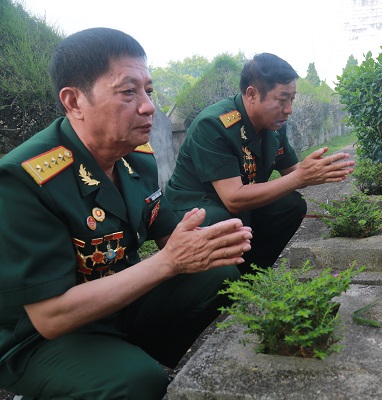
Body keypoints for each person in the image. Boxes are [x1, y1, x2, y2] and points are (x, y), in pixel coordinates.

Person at [0, 28, 252, 399]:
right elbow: (49, 316)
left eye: (148, 90)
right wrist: (168, 262)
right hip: (41, 336)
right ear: (74, 102)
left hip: (116, 302)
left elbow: (165, 230)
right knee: (137, 383)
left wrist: (207, 240)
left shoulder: (137, 157)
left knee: (221, 272)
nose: (148, 105)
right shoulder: (24, 178)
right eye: (128, 91)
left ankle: (130, 358)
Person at [165, 53, 354, 275]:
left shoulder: (274, 126)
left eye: (292, 99)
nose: (289, 109)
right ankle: (224, 282)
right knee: (228, 220)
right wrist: (300, 176)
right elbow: (233, 198)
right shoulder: (213, 125)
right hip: (197, 210)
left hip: (237, 208)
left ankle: (252, 273)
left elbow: (293, 171)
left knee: (291, 204)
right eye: (282, 100)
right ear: (252, 94)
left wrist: (318, 169)